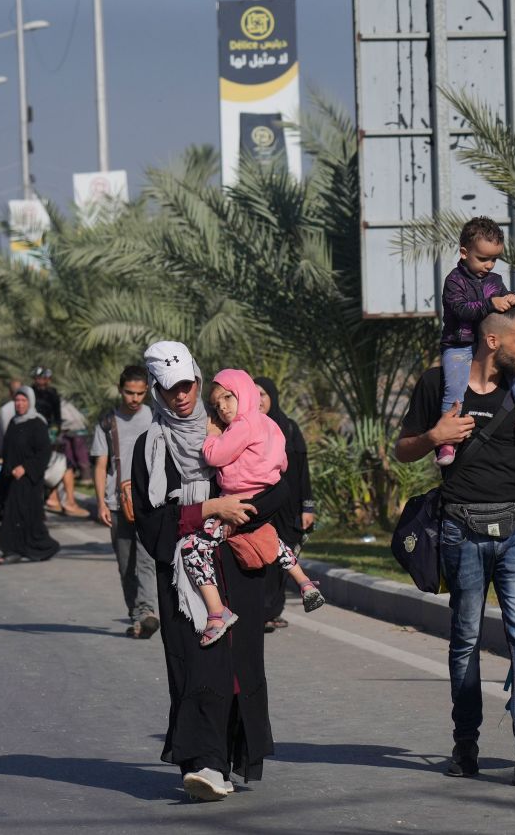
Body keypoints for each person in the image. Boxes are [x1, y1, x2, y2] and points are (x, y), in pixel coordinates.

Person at [395, 305, 515, 787]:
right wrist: (436, 435)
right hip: (461, 530)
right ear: (493, 342)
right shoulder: (438, 385)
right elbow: (402, 449)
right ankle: (466, 744)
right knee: (466, 642)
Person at [131, 341, 283, 801]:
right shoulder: (150, 446)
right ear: (157, 391)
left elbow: (273, 487)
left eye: (188, 385)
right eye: (170, 388)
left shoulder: (232, 430)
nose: (181, 396)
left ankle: (225, 759)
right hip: (183, 577)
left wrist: (242, 512)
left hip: (236, 570)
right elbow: (150, 520)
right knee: (197, 665)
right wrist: (206, 509)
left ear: (198, 379)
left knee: (235, 669)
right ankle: (203, 764)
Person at [185, 369, 323, 647]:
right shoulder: (269, 424)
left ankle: (216, 612)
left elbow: (215, 456)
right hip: (265, 494)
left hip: (238, 500)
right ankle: (305, 582)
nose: (222, 407)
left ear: (243, 394)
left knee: (193, 548)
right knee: (270, 539)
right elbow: (283, 462)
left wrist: (211, 435)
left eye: (228, 397)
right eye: (216, 403)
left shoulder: (242, 426)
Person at [437, 217, 515, 466]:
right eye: (483, 258)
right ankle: (448, 439)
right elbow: (460, 310)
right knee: (454, 386)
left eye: (494, 259)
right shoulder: (454, 281)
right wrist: (490, 304)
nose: (489, 265)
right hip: (458, 344)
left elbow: (506, 303)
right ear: (465, 252)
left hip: (485, 344)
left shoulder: (495, 281)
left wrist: (513, 298)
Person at [91, 365, 159, 639]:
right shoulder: (108, 422)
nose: (134, 399)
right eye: (130, 393)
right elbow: (100, 465)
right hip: (117, 502)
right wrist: (101, 503)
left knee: (146, 560)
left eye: (140, 393)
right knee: (125, 564)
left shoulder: (155, 418)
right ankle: (138, 617)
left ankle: (147, 612)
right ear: (121, 390)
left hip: (149, 503)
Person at [254, 377, 316, 632]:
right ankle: (262, 611)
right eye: (253, 394)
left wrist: (307, 507)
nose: (258, 400)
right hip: (260, 506)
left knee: (285, 558)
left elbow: (302, 472)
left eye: (263, 395)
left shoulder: (289, 428)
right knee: (264, 559)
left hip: (288, 508)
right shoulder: (247, 428)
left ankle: (274, 610)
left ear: (273, 397)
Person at [0, 387, 61, 564]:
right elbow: (7, 450)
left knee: (24, 515)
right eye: (17, 400)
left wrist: (25, 468)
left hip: (29, 480)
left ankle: (18, 550)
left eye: (23, 401)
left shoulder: (37, 423)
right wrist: (7, 472)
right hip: (12, 479)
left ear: (30, 402)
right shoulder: (14, 423)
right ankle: (16, 549)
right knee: (14, 515)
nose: (20, 404)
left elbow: (43, 452)